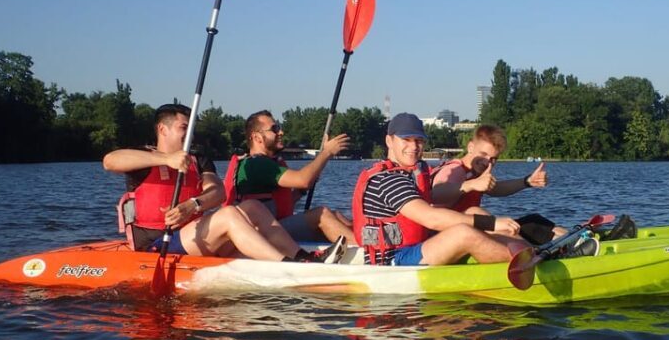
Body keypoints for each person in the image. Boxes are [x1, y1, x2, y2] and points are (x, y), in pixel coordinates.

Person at [103, 103, 345, 263]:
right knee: (229, 215)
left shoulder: (198, 158)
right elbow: (110, 161)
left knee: (252, 208)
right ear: (162, 129)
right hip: (157, 244)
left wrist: (194, 204)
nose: (189, 134)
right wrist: (166, 159)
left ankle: (302, 258)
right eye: (183, 128)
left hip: (192, 237)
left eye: (191, 128)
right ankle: (286, 266)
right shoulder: (144, 157)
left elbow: (217, 192)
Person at [351, 112, 532, 266]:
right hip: (393, 261)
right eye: (406, 139)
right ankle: (525, 263)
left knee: (476, 216)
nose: (414, 146)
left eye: (419, 140)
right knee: (464, 233)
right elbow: (431, 218)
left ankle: (529, 251)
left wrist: (525, 183)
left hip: (418, 245)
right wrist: (492, 223)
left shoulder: (412, 172)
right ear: (389, 141)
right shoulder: (388, 179)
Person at [224, 110, 356, 244]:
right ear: (257, 137)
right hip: (261, 235)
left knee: (336, 216)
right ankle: (367, 255)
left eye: (279, 128)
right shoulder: (258, 164)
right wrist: (327, 152)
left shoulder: (264, 162)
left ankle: (364, 243)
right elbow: (303, 180)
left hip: (273, 227)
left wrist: (301, 192)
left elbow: (281, 203)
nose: (281, 132)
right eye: (274, 129)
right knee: (321, 215)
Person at [430, 124, 568, 245]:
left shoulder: (476, 172)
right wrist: (471, 184)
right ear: (470, 147)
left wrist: (527, 181)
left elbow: (496, 189)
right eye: (483, 154)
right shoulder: (455, 170)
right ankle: (546, 251)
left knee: (534, 221)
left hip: (468, 229)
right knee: (475, 212)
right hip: (444, 238)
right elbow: (436, 194)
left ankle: (573, 239)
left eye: (493, 158)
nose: (487, 162)